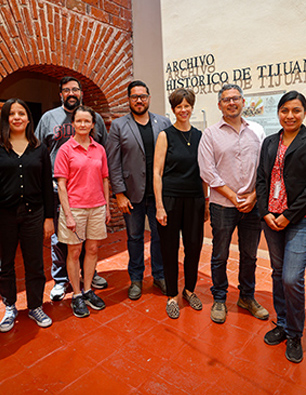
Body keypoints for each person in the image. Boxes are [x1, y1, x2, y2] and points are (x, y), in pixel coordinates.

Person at [256, 91, 306, 363]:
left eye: (296, 110)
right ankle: (283, 324)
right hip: (271, 219)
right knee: (277, 273)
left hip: (301, 219)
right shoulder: (269, 142)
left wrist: (288, 214)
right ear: (278, 113)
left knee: (291, 277)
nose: (290, 115)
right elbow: (261, 179)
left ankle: (296, 333)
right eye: (285, 110)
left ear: (304, 113)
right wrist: (265, 212)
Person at [198, 83, 268, 324]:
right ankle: (219, 298)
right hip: (222, 205)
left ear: (243, 101)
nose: (231, 103)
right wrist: (233, 196)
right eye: (226, 99)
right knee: (220, 254)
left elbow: (264, 169)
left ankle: (247, 297)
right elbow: (207, 171)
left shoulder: (258, 131)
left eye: (235, 98)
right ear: (219, 105)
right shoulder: (210, 134)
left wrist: (253, 197)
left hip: (252, 205)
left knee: (249, 255)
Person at [35, 76, 108, 302]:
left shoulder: (95, 120)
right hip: (59, 189)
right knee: (61, 240)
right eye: (66, 90)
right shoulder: (49, 118)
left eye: (75, 89)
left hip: (90, 192)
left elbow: (102, 150)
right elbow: (38, 149)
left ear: (81, 93)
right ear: (61, 94)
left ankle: (89, 276)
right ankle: (60, 280)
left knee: (89, 240)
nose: (71, 93)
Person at [0, 98, 55, 332]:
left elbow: (47, 184)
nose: (17, 117)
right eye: (12, 113)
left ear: (29, 118)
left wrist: (49, 218)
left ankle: (36, 305)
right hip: (4, 216)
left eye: (22, 113)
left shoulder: (39, 148)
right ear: (5, 118)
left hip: (34, 215)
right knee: (4, 265)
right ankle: (9, 306)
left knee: (35, 263)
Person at [106, 80, 172, 300]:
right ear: (129, 99)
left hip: (158, 194)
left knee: (160, 236)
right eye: (134, 96)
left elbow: (170, 159)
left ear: (149, 98)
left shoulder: (163, 122)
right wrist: (120, 194)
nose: (139, 100)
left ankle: (159, 275)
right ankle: (135, 279)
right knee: (134, 237)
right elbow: (112, 162)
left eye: (143, 96)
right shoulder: (118, 125)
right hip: (131, 194)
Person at [153, 88, 209, 319]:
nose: (183, 110)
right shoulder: (165, 135)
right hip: (170, 199)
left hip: (195, 199)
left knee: (194, 246)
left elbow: (205, 173)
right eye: (179, 106)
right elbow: (156, 172)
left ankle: (189, 290)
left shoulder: (200, 136)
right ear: (173, 109)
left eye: (187, 106)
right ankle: (172, 295)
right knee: (169, 248)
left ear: (192, 107)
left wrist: (205, 202)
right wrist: (159, 205)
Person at [54, 105, 111, 318]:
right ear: (73, 124)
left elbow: (105, 178)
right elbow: (61, 184)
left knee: (93, 250)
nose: (83, 124)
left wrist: (105, 206)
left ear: (93, 124)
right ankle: (76, 294)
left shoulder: (99, 149)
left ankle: (88, 290)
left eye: (87, 121)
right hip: (75, 208)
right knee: (74, 252)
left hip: (96, 207)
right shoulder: (65, 150)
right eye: (79, 121)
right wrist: (67, 214)